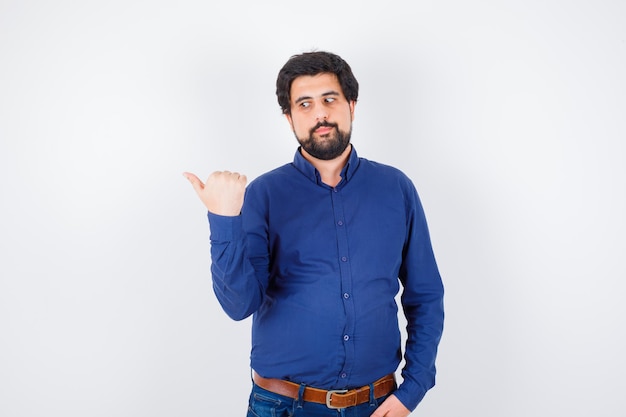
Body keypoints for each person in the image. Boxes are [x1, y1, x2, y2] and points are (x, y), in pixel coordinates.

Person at [184, 51, 444, 417]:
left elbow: (426, 295)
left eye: (329, 99)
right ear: (290, 118)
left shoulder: (396, 188)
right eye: (304, 104)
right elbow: (239, 305)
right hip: (282, 407)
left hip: (377, 406)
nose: (320, 113)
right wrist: (224, 218)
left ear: (351, 105)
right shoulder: (263, 194)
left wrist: (412, 389)